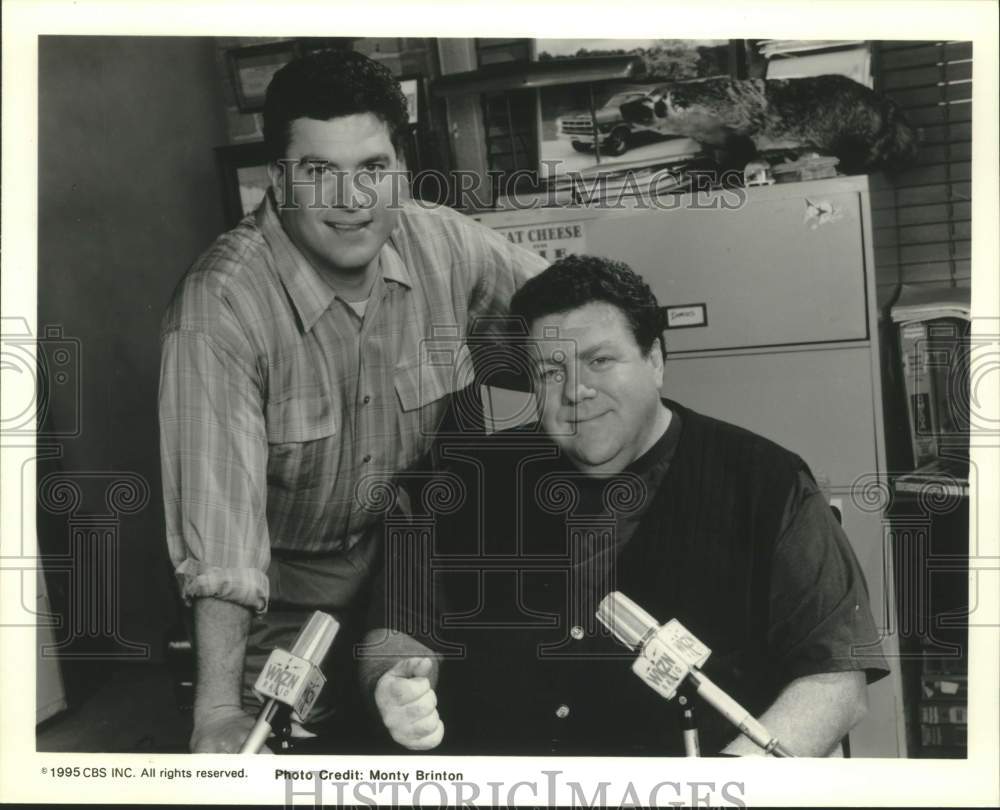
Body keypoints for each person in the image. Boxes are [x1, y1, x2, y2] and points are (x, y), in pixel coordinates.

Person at [158, 49, 546, 754]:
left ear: (402, 166)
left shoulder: (444, 244)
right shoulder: (220, 309)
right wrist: (215, 711)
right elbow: (223, 544)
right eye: (319, 171)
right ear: (278, 180)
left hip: (409, 568)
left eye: (373, 167)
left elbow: (570, 324)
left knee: (476, 737)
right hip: (280, 597)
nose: (353, 199)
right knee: (281, 758)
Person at [359, 254, 890, 757]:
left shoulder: (767, 484)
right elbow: (401, 625)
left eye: (600, 361)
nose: (576, 391)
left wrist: (726, 785)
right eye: (550, 372)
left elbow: (835, 681)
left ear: (655, 360)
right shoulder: (465, 482)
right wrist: (394, 680)